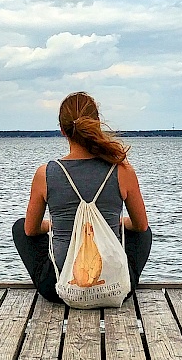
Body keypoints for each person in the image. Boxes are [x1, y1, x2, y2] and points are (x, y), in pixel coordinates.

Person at [13, 92, 151, 304]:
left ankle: (63, 280)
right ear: (96, 125)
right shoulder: (122, 170)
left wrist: (55, 225)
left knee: (20, 227)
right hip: (115, 287)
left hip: (59, 289)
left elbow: (30, 231)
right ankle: (121, 280)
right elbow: (141, 226)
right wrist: (115, 222)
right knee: (142, 232)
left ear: (62, 130)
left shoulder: (46, 174)